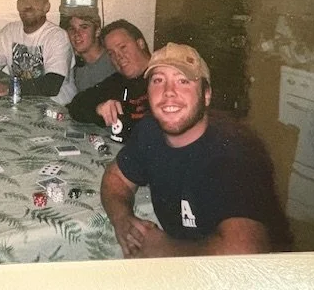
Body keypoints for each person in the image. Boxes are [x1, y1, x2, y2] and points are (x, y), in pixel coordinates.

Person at [100, 42, 292, 258]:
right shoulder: (150, 130)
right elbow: (116, 178)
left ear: (206, 95)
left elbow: (245, 252)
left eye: (183, 81)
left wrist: (165, 249)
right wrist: (122, 219)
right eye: (158, 80)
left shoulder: (235, 151)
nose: (168, 92)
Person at [67, 19, 151, 142]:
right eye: (111, 53)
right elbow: (77, 104)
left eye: (123, 47)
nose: (118, 56)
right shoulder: (118, 80)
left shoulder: (163, 76)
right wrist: (99, 109)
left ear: (140, 44)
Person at [64, 13, 116, 92]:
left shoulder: (113, 61)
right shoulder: (74, 66)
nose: (76, 34)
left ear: (97, 31)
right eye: (72, 29)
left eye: (84, 27)